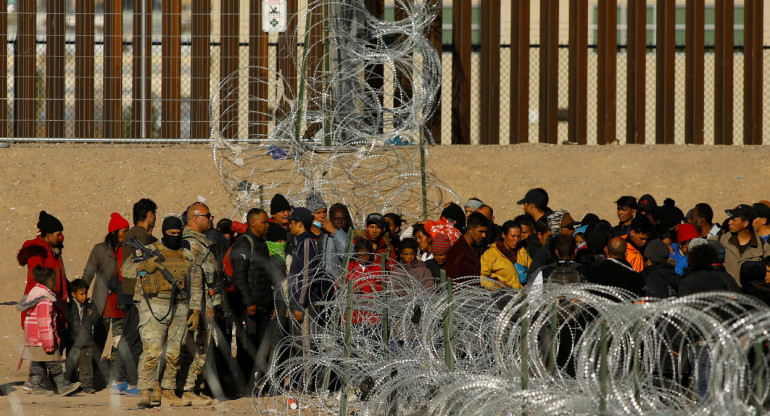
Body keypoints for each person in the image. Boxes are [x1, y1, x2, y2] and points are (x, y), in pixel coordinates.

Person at [123, 215, 200, 407]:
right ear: (163, 232)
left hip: (180, 305)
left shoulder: (187, 253)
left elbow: (196, 283)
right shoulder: (150, 250)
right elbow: (126, 270)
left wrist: (196, 310)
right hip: (153, 305)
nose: (174, 236)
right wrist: (143, 267)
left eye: (177, 233)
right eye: (170, 233)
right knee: (152, 351)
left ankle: (168, 391)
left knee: (174, 352)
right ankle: (145, 391)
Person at [229, 208, 276, 395]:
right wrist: (248, 302)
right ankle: (244, 387)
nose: (267, 225)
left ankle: (260, 385)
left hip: (262, 305)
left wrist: (271, 303)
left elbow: (267, 276)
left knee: (262, 347)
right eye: (264, 222)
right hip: (249, 307)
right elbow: (239, 277)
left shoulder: (263, 243)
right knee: (247, 349)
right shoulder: (244, 243)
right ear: (252, 223)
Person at [82, 212, 129, 390]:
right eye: (124, 231)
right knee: (99, 341)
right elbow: (88, 274)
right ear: (115, 232)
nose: (127, 234)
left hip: (120, 304)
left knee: (119, 342)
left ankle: (116, 378)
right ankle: (89, 379)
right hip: (101, 304)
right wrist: (82, 298)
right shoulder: (99, 249)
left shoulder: (129, 249)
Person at [179, 203, 220, 405]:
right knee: (197, 347)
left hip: (201, 303)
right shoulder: (192, 244)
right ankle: (187, 389)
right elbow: (197, 279)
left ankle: (194, 387)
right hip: (198, 305)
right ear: (195, 218)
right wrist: (208, 304)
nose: (211, 219)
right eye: (207, 215)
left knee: (200, 347)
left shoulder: (201, 243)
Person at [17, 266, 81, 396]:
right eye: (54, 280)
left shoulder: (33, 294)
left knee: (37, 362)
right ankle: (62, 386)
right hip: (42, 339)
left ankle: (34, 385)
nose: (55, 283)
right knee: (54, 363)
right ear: (48, 281)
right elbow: (44, 323)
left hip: (33, 338)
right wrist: (49, 343)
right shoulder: (45, 300)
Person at [116, 198, 157, 397]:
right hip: (137, 291)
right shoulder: (140, 235)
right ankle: (133, 382)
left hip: (128, 290)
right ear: (149, 214)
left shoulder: (133, 234)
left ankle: (119, 379)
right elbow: (143, 262)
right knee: (136, 338)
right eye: (154, 214)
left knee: (127, 335)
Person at [716, 204, 770, 286]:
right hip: (727, 296)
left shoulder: (763, 248)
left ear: (745, 223)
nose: (729, 222)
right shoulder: (719, 241)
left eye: (733, 220)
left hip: (750, 297)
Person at [63, 278, 100, 394]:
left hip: (87, 341)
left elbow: (96, 320)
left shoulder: (90, 307)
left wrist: (92, 314)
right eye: (81, 294)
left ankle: (86, 384)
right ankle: (70, 382)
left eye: (85, 293)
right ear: (74, 294)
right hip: (73, 341)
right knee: (71, 363)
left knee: (86, 363)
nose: (84, 296)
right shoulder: (69, 307)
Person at [480, 220, 530, 290]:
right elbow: (482, 277)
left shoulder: (523, 251)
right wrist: (495, 285)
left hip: (521, 295)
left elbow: (532, 270)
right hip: (503, 297)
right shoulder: (490, 254)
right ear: (503, 235)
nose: (516, 240)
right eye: (513, 236)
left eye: (518, 236)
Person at [445, 212, 488, 288]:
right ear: (470, 229)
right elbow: (453, 283)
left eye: (485, 232)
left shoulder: (474, 248)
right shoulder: (457, 251)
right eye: (480, 231)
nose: (484, 235)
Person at [317, 201, 351, 279]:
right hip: (322, 280)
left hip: (338, 281)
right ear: (331, 220)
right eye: (336, 219)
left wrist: (335, 232)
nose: (340, 222)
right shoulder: (325, 235)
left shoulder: (351, 236)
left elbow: (347, 255)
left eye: (343, 219)